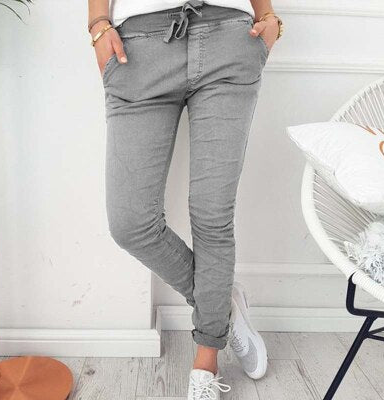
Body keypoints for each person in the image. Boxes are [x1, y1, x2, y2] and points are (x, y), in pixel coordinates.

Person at [88, 0, 282, 398]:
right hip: (137, 48)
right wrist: (97, 23)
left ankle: (206, 361)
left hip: (230, 39)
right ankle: (222, 305)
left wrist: (267, 15)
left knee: (212, 215)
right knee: (130, 224)